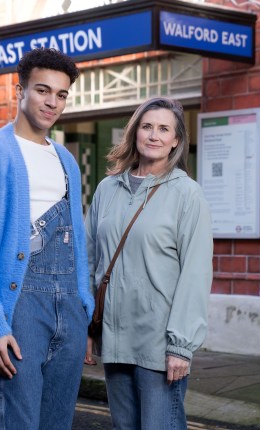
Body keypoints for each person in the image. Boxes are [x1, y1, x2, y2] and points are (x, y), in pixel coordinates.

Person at [0, 47, 93, 430]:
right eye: (43, 90)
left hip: (68, 311)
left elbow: (76, 240)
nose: (52, 102)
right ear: (20, 91)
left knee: (56, 423)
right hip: (19, 304)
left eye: (61, 95)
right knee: (15, 421)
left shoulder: (67, 161)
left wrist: (83, 313)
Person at [84, 97, 213, 429]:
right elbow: (88, 260)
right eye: (147, 126)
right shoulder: (106, 189)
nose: (154, 135)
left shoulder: (188, 194)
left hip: (159, 343)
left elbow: (195, 273)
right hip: (113, 338)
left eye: (163, 129)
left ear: (176, 141)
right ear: (134, 134)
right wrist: (86, 326)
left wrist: (181, 346)